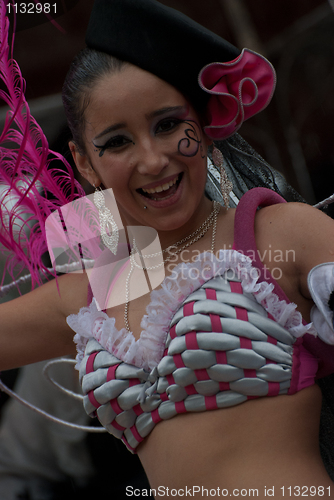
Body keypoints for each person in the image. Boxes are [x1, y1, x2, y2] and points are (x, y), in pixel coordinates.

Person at [0, 0, 334, 497]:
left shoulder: (281, 235)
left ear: (202, 126)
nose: (153, 160)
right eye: (116, 142)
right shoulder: (96, 291)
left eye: (168, 125)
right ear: (84, 163)